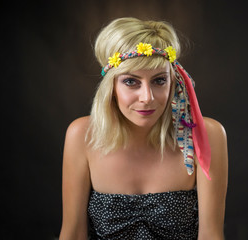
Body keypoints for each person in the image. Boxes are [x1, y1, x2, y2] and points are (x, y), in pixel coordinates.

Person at [59, 17, 228, 240]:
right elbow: (72, 234)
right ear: (111, 86)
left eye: (159, 81)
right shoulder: (82, 135)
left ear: (174, 81)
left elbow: (211, 235)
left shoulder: (205, 134)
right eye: (131, 81)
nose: (147, 98)